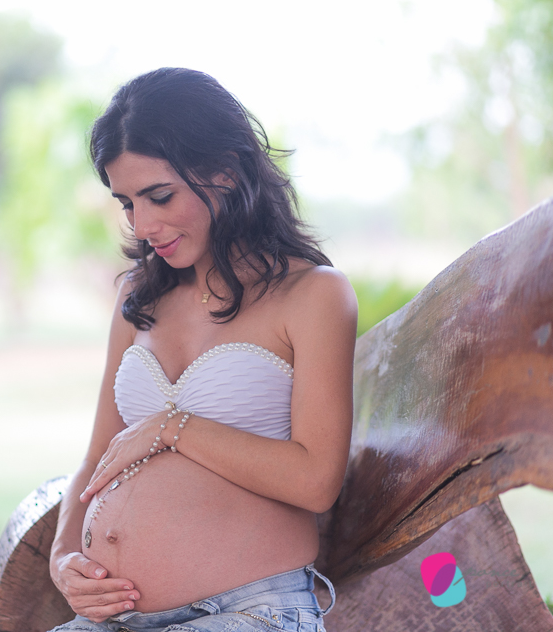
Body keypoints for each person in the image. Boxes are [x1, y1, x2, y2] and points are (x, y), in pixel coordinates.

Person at [47, 68, 357, 632]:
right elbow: (96, 460)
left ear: (226, 172)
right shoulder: (136, 298)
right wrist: (64, 558)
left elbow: (317, 481)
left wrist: (175, 427)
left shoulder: (313, 294)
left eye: (159, 196)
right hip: (116, 617)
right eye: (127, 203)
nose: (143, 226)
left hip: (250, 611)